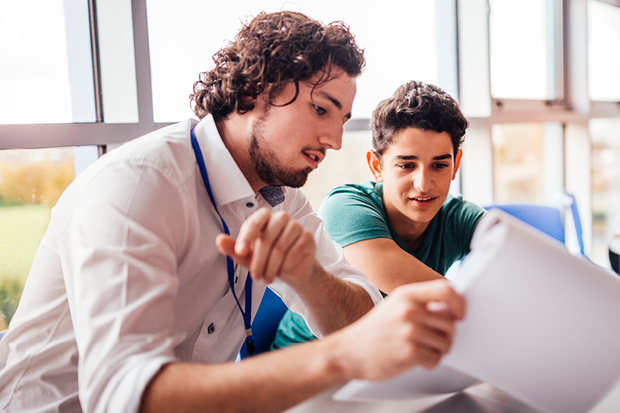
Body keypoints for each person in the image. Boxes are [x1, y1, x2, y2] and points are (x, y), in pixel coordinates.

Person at [0, 13, 465, 413]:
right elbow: (125, 396)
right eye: (320, 109)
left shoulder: (281, 197)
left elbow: (365, 316)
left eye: (341, 120)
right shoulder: (140, 184)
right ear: (255, 89)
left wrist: (310, 278)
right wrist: (340, 357)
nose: (335, 140)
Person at [273, 80, 484, 349]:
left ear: (455, 166)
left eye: (439, 165)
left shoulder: (459, 216)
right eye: (407, 165)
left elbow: (518, 262)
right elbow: (450, 302)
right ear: (377, 166)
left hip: (386, 359)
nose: (423, 183)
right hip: (306, 363)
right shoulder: (345, 206)